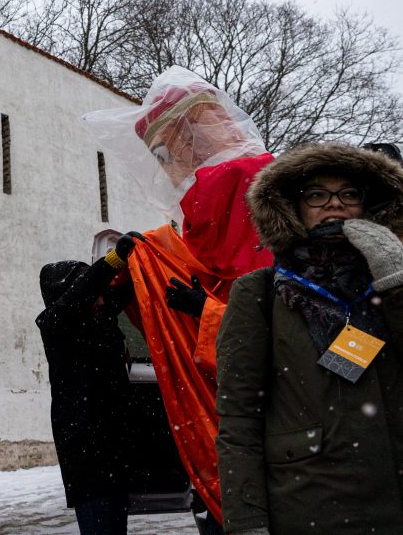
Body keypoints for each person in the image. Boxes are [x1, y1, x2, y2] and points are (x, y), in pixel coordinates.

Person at [84, 67, 274, 531]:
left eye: (168, 151)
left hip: (262, 407)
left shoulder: (253, 189)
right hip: (241, 408)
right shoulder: (193, 215)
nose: (167, 168)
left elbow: (277, 321)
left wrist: (206, 313)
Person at [216, 143, 403, 533]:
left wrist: (395, 278)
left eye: (349, 194)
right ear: (292, 208)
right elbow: (239, 418)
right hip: (310, 506)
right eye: (317, 195)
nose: (334, 205)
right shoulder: (260, 292)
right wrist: (247, 521)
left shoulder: (393, 281)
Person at [35, 235, 138, 534]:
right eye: (96, 293)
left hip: (113, 457)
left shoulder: (98, 319)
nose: (102, 299)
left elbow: (119, 292)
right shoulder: (56, 323)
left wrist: (142, 261)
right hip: (88, 463)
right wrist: (113, 260)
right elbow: (83, 292)